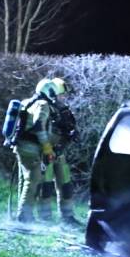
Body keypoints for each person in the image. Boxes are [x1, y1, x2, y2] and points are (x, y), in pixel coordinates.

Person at [13, 78, 74, 224]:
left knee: (24, 181)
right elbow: (39, 125)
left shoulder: (28, 102)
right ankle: (24, 217)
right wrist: (47, 148)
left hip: (20, 147)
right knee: (32, 181)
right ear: (49, 92)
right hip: (31, 148)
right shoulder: (43, 104)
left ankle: (22, 214)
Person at [35, 78, 79, 225]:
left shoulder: (63, 110)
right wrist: (48, 149)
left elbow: (70, 128)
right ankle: (45, 217)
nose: (63, 98)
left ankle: (68, 217)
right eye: (61, 95)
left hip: (60, 152)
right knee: (46, 186)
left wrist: (71, 134)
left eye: (63, 95)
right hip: (46, 152)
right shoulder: (44, 108)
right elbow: (40, 130)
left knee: (66, 185)